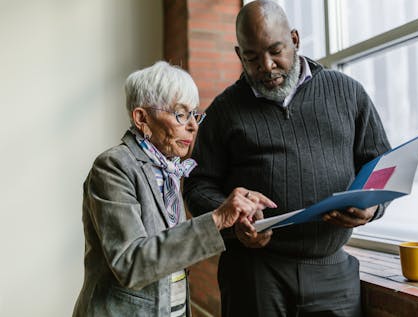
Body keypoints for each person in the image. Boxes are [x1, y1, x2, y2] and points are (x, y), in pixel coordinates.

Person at [183, 0, 391, 317]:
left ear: (294, 39)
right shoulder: (224, 110)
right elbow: (198, 186)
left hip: (331, 272)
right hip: (253, 274)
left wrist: (373, 206)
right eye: (252, 57)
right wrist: (234, 221)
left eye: (275, 51)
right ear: (239, 55)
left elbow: (381, 165)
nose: (266, 66)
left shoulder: (347, 92)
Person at [72, 61, 276, 317]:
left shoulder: (169, 168)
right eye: (181, 114)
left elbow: (171, 245)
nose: (193, 126)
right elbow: (131, 264)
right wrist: (217, 218)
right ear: (142, 118)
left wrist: (234, 224)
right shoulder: (113, 167)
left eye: (194, 114)